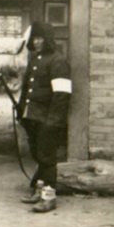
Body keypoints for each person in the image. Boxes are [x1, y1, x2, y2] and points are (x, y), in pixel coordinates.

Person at [16, 22, 71, 213]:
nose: (37, 42)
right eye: (34, 39)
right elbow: (26, 90)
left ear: (48, 40)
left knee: (47, 157)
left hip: (48, 119)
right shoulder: (36, 59)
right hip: (32, 116)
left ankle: (49, 197)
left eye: (40, 38)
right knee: (38, 154)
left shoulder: (58, 61)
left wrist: (54, 121)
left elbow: (62, 95)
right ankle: (39, 190)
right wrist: (21, 112)